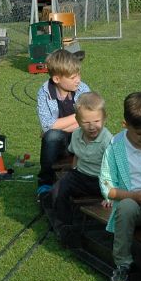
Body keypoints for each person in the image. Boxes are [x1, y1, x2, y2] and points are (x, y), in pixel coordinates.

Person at [99, 91, 141, 281]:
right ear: (125, 125)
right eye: (140, 133)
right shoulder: (116, 145)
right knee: (125, 206)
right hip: (130, 205)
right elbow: (106, 186)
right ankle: (123, 265)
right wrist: (132, 196)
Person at [49, 92, 112, 242]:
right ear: (77, 120)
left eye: (96, 121)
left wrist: (109, 194)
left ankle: (104, 231)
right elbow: (76, 155)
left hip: (101, 179)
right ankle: (64, 225)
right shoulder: (77, 135)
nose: (91, 127)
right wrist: (72, 171)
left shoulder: (107, 140)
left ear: (104, 119)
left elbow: (113, 168)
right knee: (58, 189)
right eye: (86, 122)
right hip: (81, 175)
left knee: (110, 199)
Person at [36, 49, 91, 197]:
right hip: (58, 141)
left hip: (80, 138)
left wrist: (57, 125)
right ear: (57, 79)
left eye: (78, 75)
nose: (78, 80)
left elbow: (89, 120)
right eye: (73, 77)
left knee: (52, 134)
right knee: (52, 136)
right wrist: (78, 116)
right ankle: (45, 183)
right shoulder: (44, 92)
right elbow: (47, 125)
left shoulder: (83, 89)